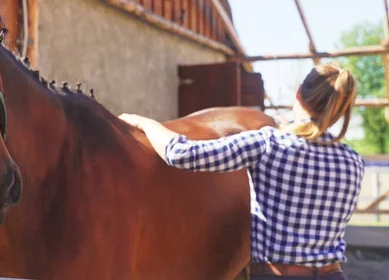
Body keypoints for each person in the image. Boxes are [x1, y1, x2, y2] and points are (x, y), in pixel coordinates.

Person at [119, 62, 364, 280]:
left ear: (298, 95)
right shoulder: (354, 161)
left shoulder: (269, 143)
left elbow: (182, 153)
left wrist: (143, 123)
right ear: (341, 109)